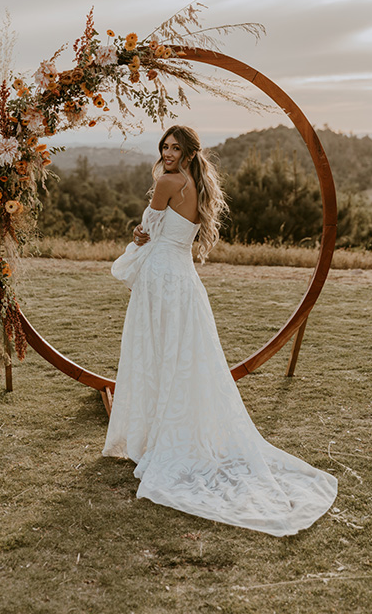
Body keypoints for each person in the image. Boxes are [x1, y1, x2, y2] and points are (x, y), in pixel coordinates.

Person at [103, 125, 337, 536]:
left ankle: (157, 435)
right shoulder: (197, 185)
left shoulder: (166, 181)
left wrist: (136, 236)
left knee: (156, 351)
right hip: (185, 280)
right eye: (165, 146)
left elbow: (148, 234)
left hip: (161, 276)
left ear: (189, 153)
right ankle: (169, 427)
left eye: (176, 147)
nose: (168, 152)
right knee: (183, 356)